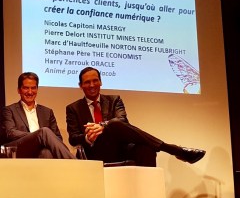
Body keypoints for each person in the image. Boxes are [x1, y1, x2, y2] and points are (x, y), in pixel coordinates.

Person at [66, 66, 205, 167]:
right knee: (113, 124)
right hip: (95, 152)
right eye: (87, 82)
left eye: (95, 80)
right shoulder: (73, 108)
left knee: (146, 148)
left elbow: (123, 121)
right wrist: (88, 137)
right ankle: (173, 149)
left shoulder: (114, 100)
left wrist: (102, 126)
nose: (92, 85)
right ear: (80, 85)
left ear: (101, 82)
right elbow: (73, 138)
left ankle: (147, 196)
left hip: (120, 149)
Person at [2, 72, 74, 159]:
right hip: (19, 149)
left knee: (46, 152)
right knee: (44, 131)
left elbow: (57, 137)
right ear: (19, 90)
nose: (30, 92)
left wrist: (41, 137)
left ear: (37, 89)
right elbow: (10, 133)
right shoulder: (9, 110)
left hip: (41, 149)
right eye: (26, 88)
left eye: (33, 88)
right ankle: (73, 163)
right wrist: (37, 135)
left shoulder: (47, 112)